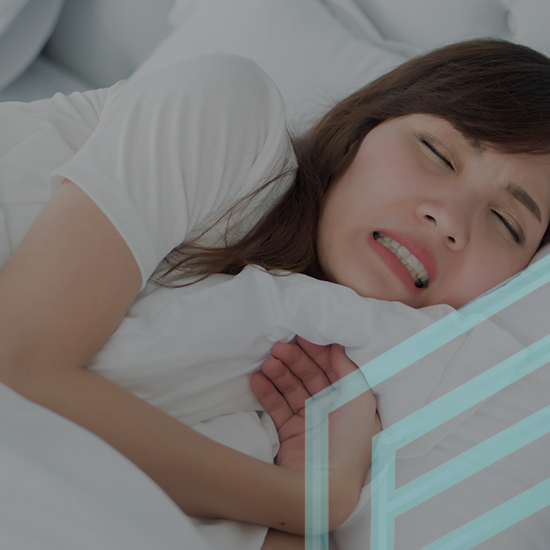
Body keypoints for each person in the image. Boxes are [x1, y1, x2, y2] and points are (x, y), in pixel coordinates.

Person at [0, 37, 550, 549]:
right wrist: (315, 502)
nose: (449, 217)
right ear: (359, 134)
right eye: (438, 152)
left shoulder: (329, 381)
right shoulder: (229, 117)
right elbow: (20, 365)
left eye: (506, 221)